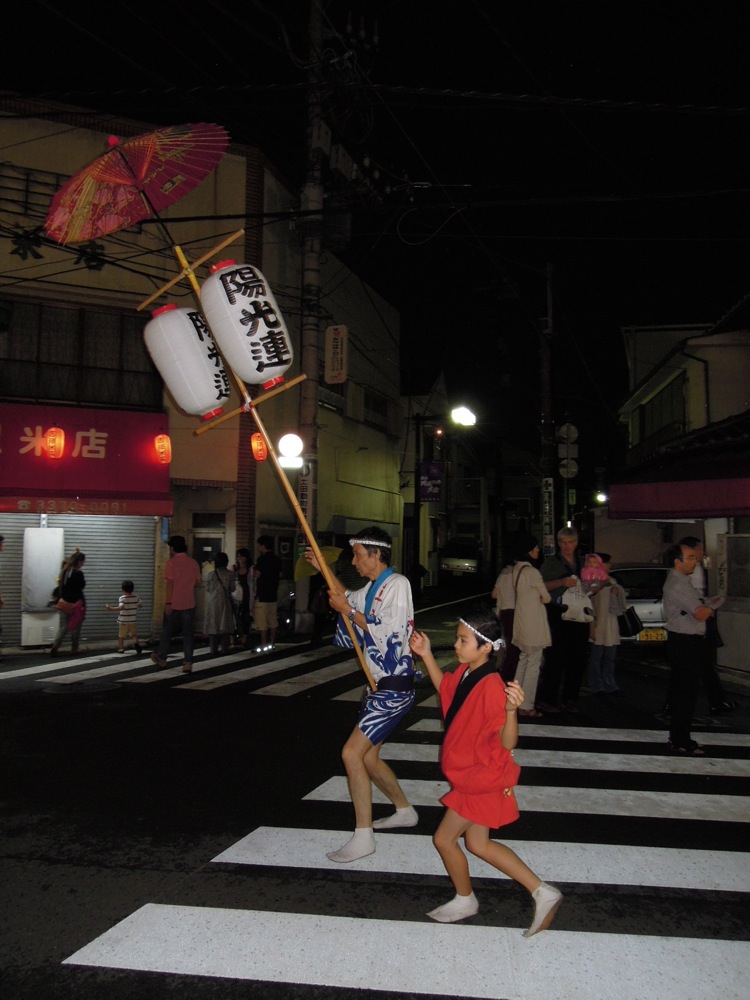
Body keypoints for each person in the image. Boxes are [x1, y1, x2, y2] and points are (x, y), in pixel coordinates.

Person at [410, 608, 563, 935]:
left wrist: (511, 711)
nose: (456, 645)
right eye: (458, 639)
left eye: (463, 641)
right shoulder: (468, 672)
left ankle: (467, 899)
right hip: (475, 774)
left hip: (481, 778)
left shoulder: (493, 686)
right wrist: (425, 655)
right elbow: (447, 692)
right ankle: (543, 892)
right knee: (478, 844)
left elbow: (508, 742)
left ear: (486, 648)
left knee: (444, 839)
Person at [304, 527, 419, 863]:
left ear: (376, 554)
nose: (353, 562)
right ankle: (403, 810)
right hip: (380, 684)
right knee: (368, 757)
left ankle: (363, 836)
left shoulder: (398, 585)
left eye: (357, 554)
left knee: (352, 754)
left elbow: (390, 628)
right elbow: (346, 599)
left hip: (395, 684)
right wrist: (322, 568)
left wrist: (349, 611)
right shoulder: (373, 588)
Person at [662, 541, 714, 756]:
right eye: (690, 557)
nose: (695, 561)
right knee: (685, 692)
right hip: (685, 641)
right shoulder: (678, 584)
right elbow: (699, 613)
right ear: (677, 562)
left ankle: (680, 737)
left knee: (683, 691)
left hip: (684, 640)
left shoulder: (682, 581)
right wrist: (712, 607)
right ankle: (680, 739)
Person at [536, 526, 593, 714]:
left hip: (580, 613)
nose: (567, 546)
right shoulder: (551, 563)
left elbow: (591, 588)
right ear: (558, 543)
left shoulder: (584, 562)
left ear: (576, 543)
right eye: (563, 542)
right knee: (555, 658)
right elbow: (540, 587)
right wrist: (561, 582)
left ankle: (571, 698)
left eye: (570, 542)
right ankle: (547, 698)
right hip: (557, 613)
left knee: (578, 659)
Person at [677, 536, 736, 714]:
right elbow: (694, 602)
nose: (702, 553)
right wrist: (709, 606)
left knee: (699, 665)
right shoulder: (687, 573)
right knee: (701, 664)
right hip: (694, 622)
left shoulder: (695, 570)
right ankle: (715, 701)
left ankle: (715, 701)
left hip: (695, 622)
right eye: (699, 550)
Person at [506, 533, 550, 717]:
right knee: (533, 664)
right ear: (528, 551)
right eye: (535, 547)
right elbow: (546, 597)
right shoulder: (532, 572)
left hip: (522, 622)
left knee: (523, 662)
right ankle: (527, 705)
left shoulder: (516, 569)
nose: (538, 550)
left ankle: (515, 701)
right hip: (534, 624)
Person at [150, 535, 202, 674]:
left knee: (167, 632)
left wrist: (168, 602)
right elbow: (198, 582)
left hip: (174, 603)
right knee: (187, 634)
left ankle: (161, 658)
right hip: (189, 602)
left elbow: (170, 585)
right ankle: (188, 663)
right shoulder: (193, 563)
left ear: (173, 548)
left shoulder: (171, 563)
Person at [587, 553, 625, 695]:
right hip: (598, 624)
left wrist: (617, 591)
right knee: (596, 657)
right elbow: (589, 606)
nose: (609, 566)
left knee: (609, 657)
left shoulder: (612, 581)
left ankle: (610, 683)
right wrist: (591, 626)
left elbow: (621, 601)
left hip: (611, 624)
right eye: (607, 563)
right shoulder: (593, 582)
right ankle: (597, 685)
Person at [490, 545, 521, 682]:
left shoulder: (504, 573)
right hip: (515, 613)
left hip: (502, 613)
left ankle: (498, 670)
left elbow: (494, 594)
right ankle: (507, 676)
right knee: (514, 647)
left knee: (504, 646)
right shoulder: (520, 573)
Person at [49, 551, 87, 656]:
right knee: (76, 625)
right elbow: (81, 587)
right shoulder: (78, 573)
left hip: (65, 603)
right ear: (79, 561)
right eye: (83, 561)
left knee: (65, 626)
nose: (83, 563)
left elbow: (62, 588)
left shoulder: (64, 571)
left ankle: (55, 647)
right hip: (76, 604)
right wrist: (78, 603)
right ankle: (74, 648)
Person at [252, 535, 282, 650]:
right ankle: (272, 643)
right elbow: (280, 575)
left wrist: (255, 570)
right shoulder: (277, 559)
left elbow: (257, 574)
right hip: (273, 594)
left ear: (263, 546)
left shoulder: (262, 559)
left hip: (262, 594)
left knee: (262, 622)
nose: (258, 548)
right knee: (273, 620)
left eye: (259, 545)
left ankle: (264, 644)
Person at [204, 552, 235, 656]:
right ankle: (225, 649)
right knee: (224, 625)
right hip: (225, 602)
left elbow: (208, 589)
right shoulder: (230, 574)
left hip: (213, 602)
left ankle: (213, 649)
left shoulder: (210, 574)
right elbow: (232, 588)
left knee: (213, 625)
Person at [105, 580, 143, 655]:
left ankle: (121, 648)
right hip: (133, 620)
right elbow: (140, 605)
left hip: (123, 621)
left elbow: (121, 607)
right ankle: (136, 644)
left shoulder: (122, 598)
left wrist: (110, 608)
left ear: (123, 589)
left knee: (121, 636)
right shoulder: (136, 597)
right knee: (134, 635)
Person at [232, 547, 253, 647]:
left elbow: (253, 583)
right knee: (237, 618)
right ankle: (239, 636)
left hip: (247, 597)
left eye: (242, 556)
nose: (240, 559)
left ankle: (244, 636)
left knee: (246, 617)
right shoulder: (234, 569)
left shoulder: (250, 570)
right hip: (236, 597)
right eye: (238, 556)